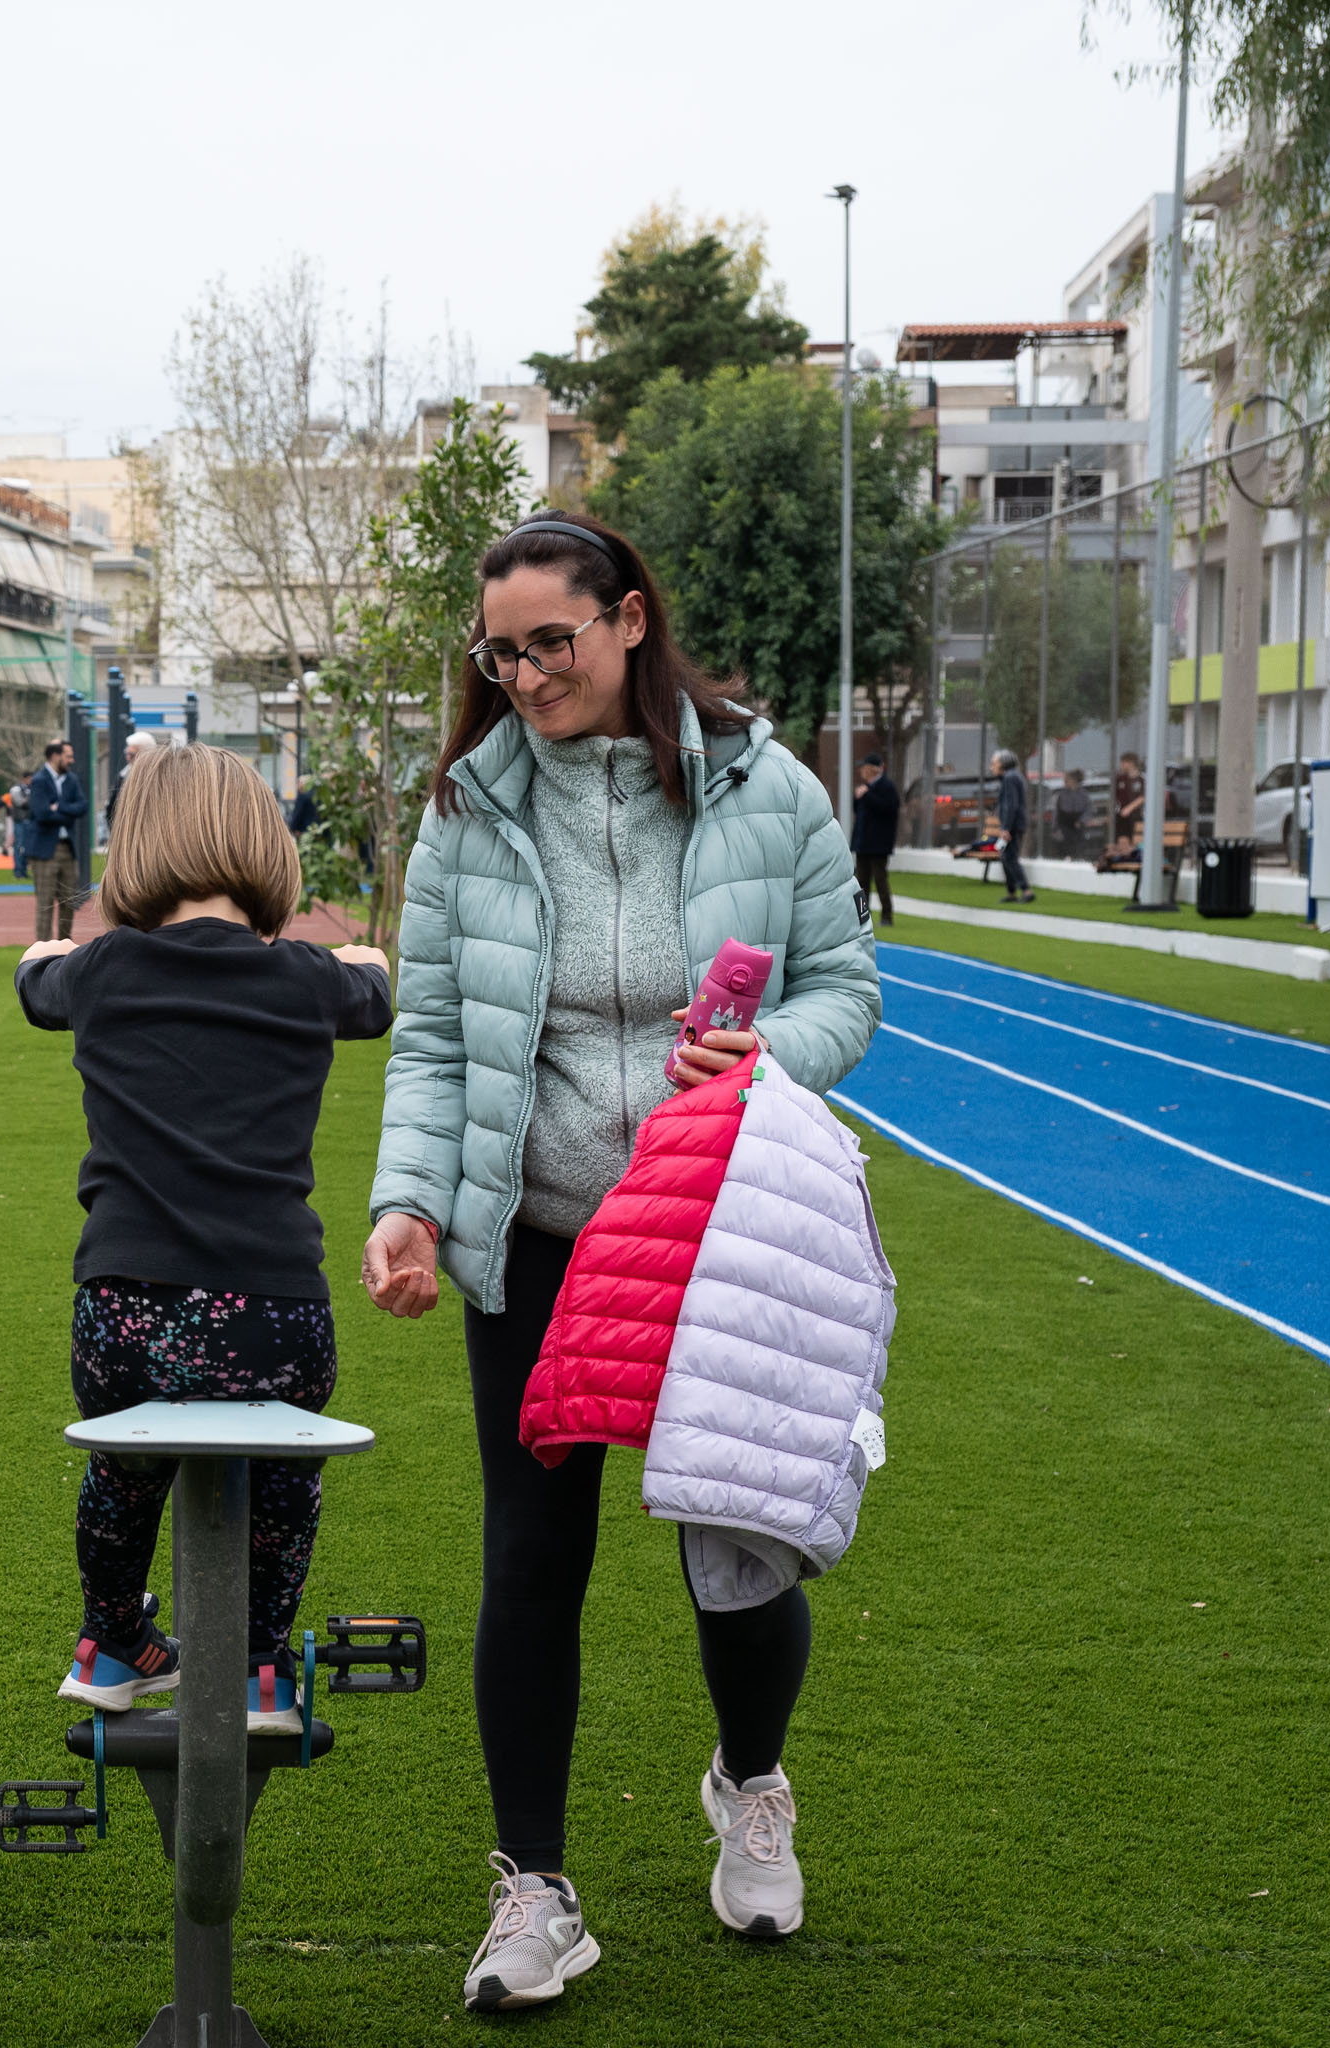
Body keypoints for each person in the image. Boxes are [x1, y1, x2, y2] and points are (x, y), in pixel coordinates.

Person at [357, 513, 880, 2012]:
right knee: (530, 1561)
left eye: (552, 642)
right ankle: (535, 1888)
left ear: (631, 622)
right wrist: (409, 1204)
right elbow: (439, 1041)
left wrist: (763, 1048)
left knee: (738, 1552)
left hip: (718, 1234)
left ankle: (752, 1781)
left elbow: (848, 993)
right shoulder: (464, 815)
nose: (523, 674)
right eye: (500, 650)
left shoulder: (765, 789)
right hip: (533, 1239)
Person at [17, 743, 390, 1731]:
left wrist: (58, 954)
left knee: (120, 1468)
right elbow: (379, 987)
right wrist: (354, 957)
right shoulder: (310, 980)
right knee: (283, 1480)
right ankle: (264, 1665)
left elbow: (31, 977)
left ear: (133, 848)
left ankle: (110, 1639)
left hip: (124, 1316)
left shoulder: (95, 972)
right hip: (274, 1317)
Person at [25, 739, 88, 941]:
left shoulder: (71, 780)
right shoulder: (39, 780)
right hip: (45, 851)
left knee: (69, 902)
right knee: (45, 904)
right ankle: (43, 953)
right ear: (55, 756)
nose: (72, 760)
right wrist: (68, 812)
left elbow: (83, 807)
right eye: (68, 756)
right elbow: (42, 813)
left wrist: (58, 807)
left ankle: (64, 948)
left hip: (67, 849)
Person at [849, 750, 899, 927]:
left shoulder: (887, 787)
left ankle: (887, 916)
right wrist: (859, 798)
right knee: (861, 882)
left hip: (878, 844)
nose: (861, 771)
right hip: (864, 843)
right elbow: (859, 811)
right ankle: (862, 917)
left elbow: (888, 810)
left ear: (873, 769)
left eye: (864, 767)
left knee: (880, 880)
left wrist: (867, 796)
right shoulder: (866, 788)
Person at [993, 749, 1033, 901]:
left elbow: (1011, 804)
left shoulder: (1010, 778)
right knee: (1006, 857)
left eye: (994, 763)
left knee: (1010, 858)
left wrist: (1006, 828)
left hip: (1013, 826)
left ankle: (1026, 890)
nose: (992, 767)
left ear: (1003, 763)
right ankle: (1011, 892)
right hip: (1014, 824)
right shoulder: (1012, 777)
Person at [1050, 766, 1092, 862]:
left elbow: (1089, 809)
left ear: (1074, 781)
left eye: (1067, 780)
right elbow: (1057, 811)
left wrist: (1081, 821)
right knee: (1064, 845)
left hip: (1077, 823)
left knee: (1077, 846)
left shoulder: (1083, 794)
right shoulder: (1062, 794)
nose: (1065, 782)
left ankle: (1077, 859)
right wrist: (1055, 827)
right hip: (1064, 823)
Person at [1111, 751, 1147, 858]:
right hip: (1121, 816)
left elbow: (1143, 797)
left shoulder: (1141, 779)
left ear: (1131, 763)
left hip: (1136, 816)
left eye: (1123, 763)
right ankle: (1123, 859)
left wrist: (1129, 808)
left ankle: (1134, 858)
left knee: (1135, 841)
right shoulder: (1120, 779)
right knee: (1122, 840)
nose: (1121, 765)